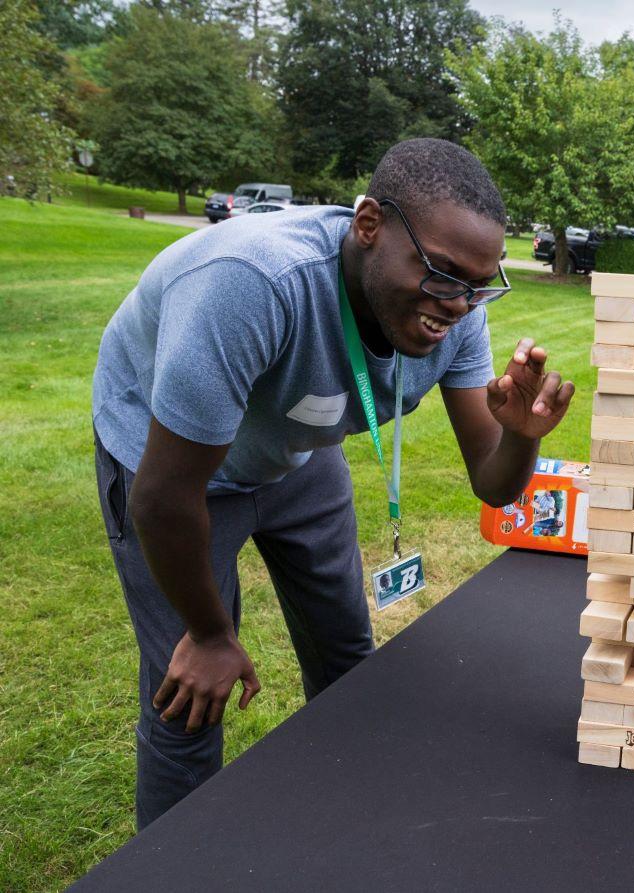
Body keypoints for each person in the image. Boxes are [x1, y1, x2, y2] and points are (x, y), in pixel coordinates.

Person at [92, 138, 576, 829]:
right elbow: (164, 498)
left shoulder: (457, 313)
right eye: (441, 272)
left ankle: (355, 827)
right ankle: (171, 867)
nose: (458, 303)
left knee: (349, 660)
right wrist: (209, 632)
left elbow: (493, 485)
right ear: (369, 225)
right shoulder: (254, 283)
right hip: (171, 460)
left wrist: (523, 434)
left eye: (479, 283)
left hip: (298, 450)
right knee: (190, 696)